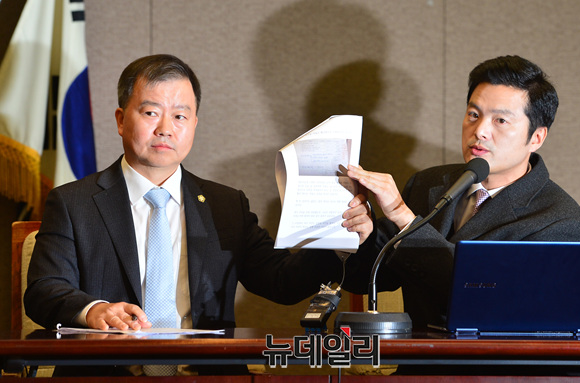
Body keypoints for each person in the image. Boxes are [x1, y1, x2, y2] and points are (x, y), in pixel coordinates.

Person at [24, 54, 372, 335]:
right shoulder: (73, 203)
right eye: (150, 113)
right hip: (108, 374)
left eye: (180, 116)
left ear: (194, 125)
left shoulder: (226, 206)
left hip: (203, 371)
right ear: (120, 120)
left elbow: (281, 282)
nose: (165, 129)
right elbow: (44, 290)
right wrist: (94, 310)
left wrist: (337, 237)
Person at [346, 55, 580, 329]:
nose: (480, 131)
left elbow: (489, 299)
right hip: (418, 356)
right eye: (473, 115)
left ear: (536, 137)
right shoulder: (428, 184)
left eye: (500, 120)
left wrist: (405, 220)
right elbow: (367, 280)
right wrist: (361, 234)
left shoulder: (561, 222)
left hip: (495, 358)